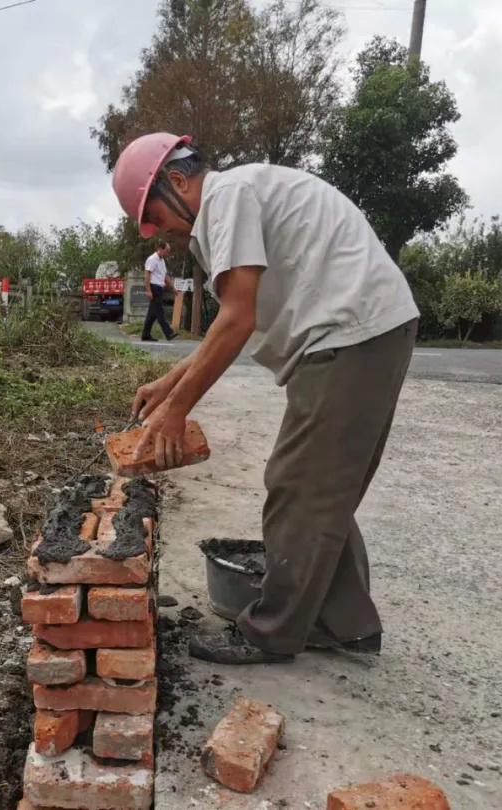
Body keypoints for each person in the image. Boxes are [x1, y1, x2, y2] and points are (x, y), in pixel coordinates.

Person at [111, 133, 420, 665]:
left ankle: (270, 632)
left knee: (297, 485)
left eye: (154, 213)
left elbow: (237, 319)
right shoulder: (230, 207)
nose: (158, 229)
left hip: (350, 333)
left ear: (178, 180)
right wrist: (170, 385)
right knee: (321, 485)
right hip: (356, 332)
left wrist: (176, 412)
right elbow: (231, 323)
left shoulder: (227, 198)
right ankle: (343, 622)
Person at [141, 241, 177, 342]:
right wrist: (148, 290)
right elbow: (147, 274)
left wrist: (173, 288)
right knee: (159, 311)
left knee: (152, 314)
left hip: (159, 288)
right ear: (160, 249)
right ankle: (169, 332)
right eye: (166, 251)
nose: (167, 254)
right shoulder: (152, 259)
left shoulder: (162, 261)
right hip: (154, 287)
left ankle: (145, 334)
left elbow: (165, 276)